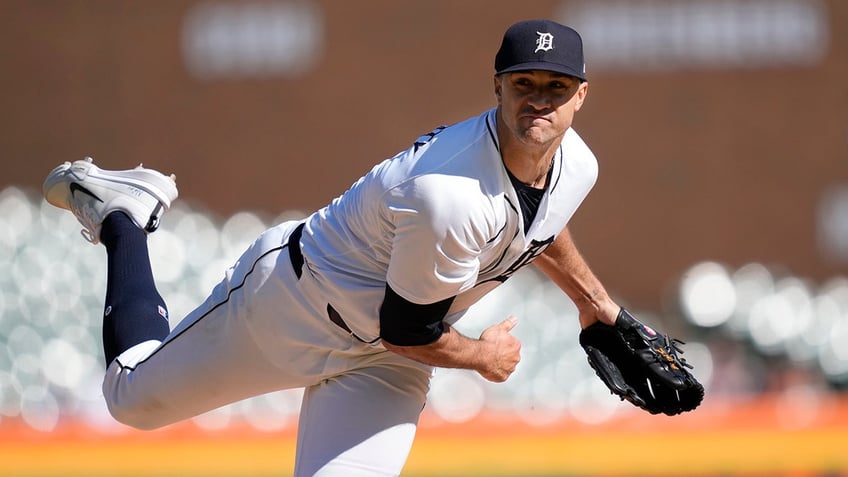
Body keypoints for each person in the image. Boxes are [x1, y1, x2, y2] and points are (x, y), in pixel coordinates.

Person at [43, 19, 621, 477]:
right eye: (524, 84)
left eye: (556, 87)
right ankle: (123, 215)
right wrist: (483, 357)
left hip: (388, 360)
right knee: (129, 398)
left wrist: (597, 305)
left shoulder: (579, 167)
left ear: (582, 97)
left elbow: (539, 223)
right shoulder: (448, 193)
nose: (539, 100)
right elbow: (407, 327)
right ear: (498, 86)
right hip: (293, 308)